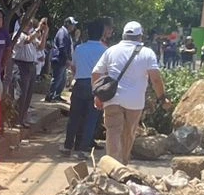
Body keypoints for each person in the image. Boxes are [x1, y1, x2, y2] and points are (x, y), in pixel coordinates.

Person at [89, 21, 165, 166]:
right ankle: (123, 164)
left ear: (123, 35)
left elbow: (95, 73)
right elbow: (155, 78)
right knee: (128, 134)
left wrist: (97, 96)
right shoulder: (147, 53)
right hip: (135, 102)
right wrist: (162, 97)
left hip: (112, 99)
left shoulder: (111, 50)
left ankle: (113, 167)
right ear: (140, 37)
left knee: (113, 132)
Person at [64, 19, 107, 156]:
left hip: (80, 84)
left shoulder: (79, 48)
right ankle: (82, 149)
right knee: (91, 119)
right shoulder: (105, 51)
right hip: (96, 86)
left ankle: (67, 146)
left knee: (74, 117)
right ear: (101, 34)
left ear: (87, 33)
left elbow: (73, 67)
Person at [8, 18, 46, 124]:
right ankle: (15, 119)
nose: (29, 26)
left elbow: (41, 47)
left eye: (31, 24)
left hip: (31, 66)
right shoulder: (19, 34)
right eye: (27, 24)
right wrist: (38, 28)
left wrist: (44, 32)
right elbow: (27, 40)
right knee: (21, 94)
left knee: (28, 94)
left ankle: (22, 118)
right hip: (20, 66)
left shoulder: (32, 34)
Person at [46, 17, 76, 103]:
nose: (73, 26)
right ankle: (50, 96)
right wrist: (67, 59)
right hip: (59, 59)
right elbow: (62, 47)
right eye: (72, 24)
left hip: (62, 60)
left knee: (62, 79)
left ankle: (57, 95)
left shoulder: (66, 33)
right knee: (57, 78)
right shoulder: (62, 32)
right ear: (67, 24)